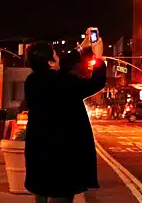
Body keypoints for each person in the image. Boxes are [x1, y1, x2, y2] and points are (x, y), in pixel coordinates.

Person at [25, 37, 106, 202]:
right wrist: (98, 58)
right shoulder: (66, 83)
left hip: (39, 151)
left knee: (41, 191)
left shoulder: (32, 81)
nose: (58, 57)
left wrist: (81, 48)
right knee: (61, 195)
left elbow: (62, 65)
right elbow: (96, 82)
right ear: (50, 62)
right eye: (55, 55)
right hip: (63, 155)